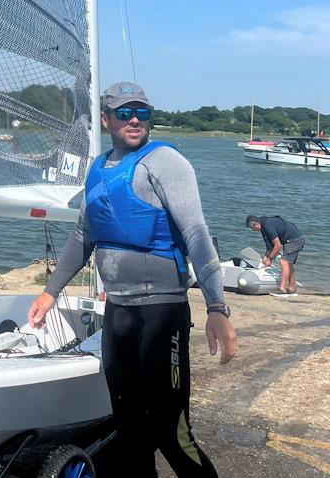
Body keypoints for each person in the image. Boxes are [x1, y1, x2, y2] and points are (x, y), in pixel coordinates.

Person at [27, 82, 237, 477]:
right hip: (119, 315)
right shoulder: (98, 168)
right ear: (106, 119)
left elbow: (196, 234)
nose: (135, 119)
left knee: (172, 431)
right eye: (124, 113)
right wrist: (50, 291)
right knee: (128, 427)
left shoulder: (164, 162)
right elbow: (82, 237)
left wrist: (216, 307)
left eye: (142, 111)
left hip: (162, 314)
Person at [245, 215, 305, 297]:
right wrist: (265, 257)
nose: (253, 230)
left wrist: (269, 259)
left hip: (295, 239)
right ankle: (292, 289)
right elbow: (270, 247)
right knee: (288, 263)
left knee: (284, 262)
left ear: (256, 225)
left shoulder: (268, 225)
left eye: (252, 228)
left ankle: (282, 289)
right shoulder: (263, 226)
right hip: (290, 240)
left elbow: (278, 245)